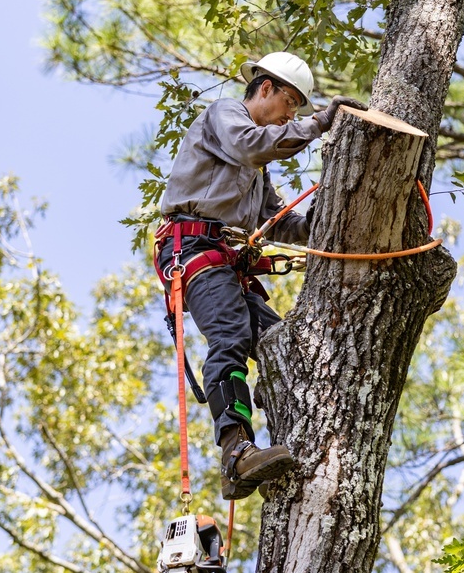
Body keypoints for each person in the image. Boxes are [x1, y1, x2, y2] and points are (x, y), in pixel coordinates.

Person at [154, 51, 366, 500]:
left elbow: (274, 220)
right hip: (193, 250)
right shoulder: (226, 116)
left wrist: (329, 216)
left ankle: (271, 438)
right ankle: (236, 451)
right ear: (265, 88)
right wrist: (321, 122)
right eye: (290, 103)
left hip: (224, 260)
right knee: (229, 337)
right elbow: (252, 145)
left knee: (282, 342)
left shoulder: (257, 170)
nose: (292, 115)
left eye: (298, 110)